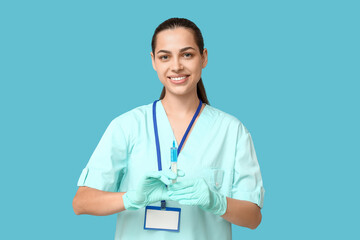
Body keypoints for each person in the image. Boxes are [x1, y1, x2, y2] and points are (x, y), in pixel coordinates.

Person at [73, 17, 265, 240]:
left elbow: (253, 218)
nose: (176, 66)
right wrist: (130, 198)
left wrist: (216, 202)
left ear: (203, 58)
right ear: (153, 61)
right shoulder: (126, 126)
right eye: (165, 57)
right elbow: (81, 202)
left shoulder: (232, 131)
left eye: (187, 55)